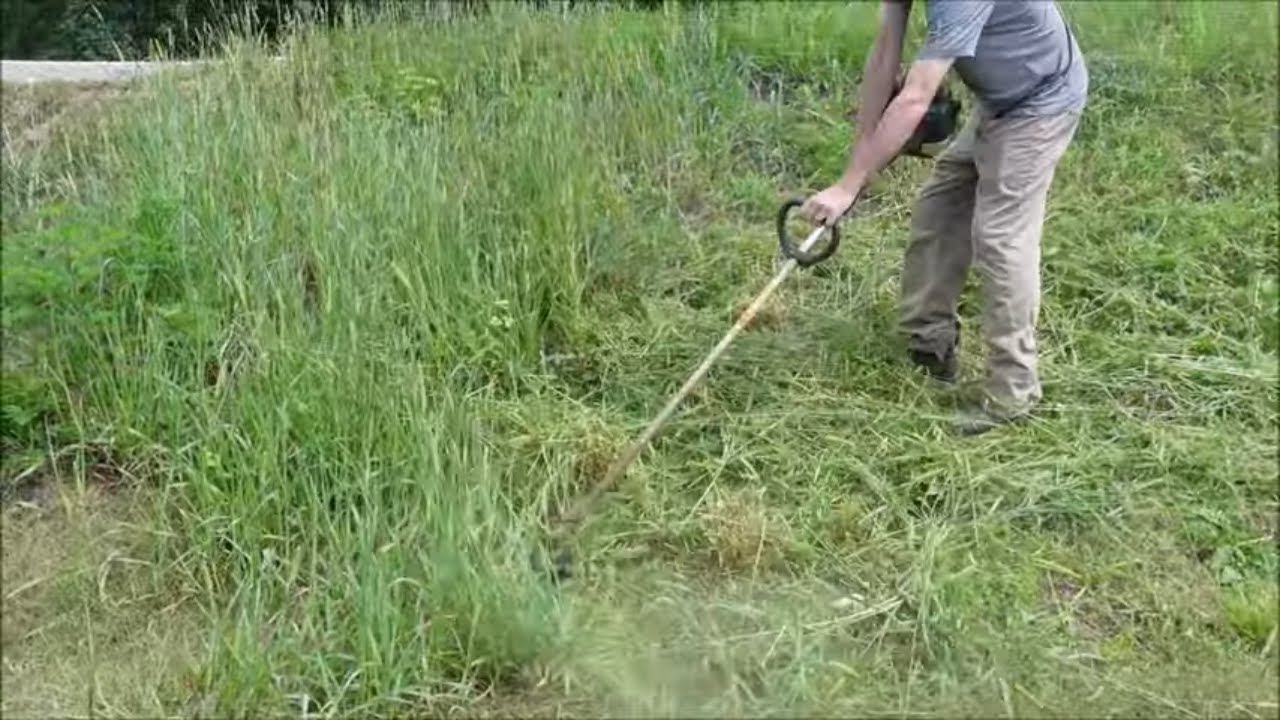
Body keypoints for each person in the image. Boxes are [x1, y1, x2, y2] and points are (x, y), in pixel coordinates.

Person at [800, 0, 1088, 436]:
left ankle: (1013, 393)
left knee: (1000, 240)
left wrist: (850, 185)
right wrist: (857, 165)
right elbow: (885, 54)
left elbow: (915, 96)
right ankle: (928, 343)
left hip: (1040, 101)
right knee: (940, 208)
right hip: (996, 102)